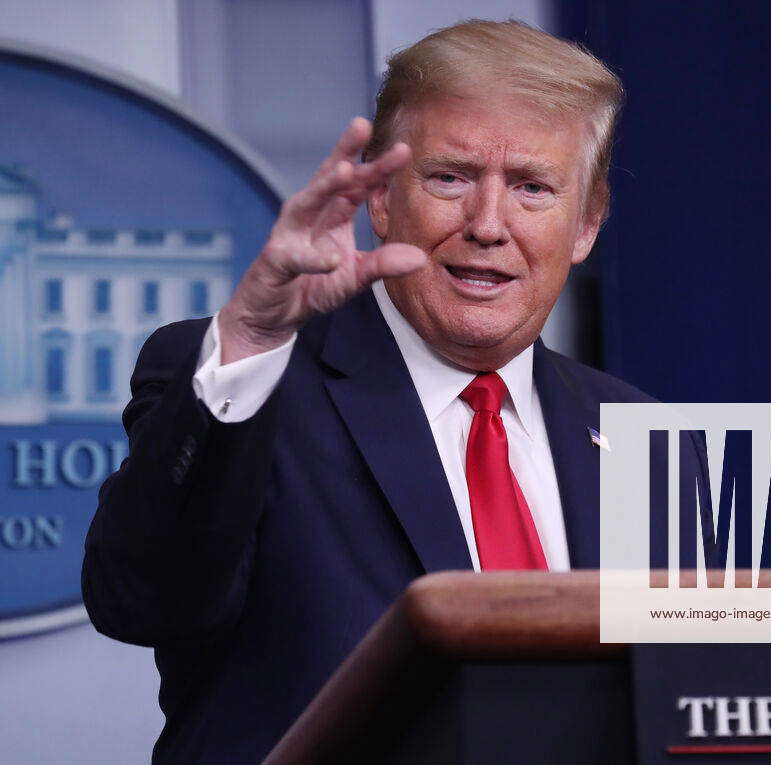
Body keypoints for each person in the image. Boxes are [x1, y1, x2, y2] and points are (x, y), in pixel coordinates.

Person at [82, 19, 676, 763]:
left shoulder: (641, 433)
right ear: (382, 198)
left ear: (586, 223)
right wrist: (253, 337)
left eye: (531, 187)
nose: (488, 225)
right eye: (450, 177)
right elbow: (142, 599)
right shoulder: (246, 381)